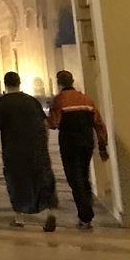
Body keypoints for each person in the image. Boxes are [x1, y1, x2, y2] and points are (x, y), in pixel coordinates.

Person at [0, 71, 58, 230]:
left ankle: (19, 218)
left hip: (14, 150)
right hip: (36, 148)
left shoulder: (1, 103)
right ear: (19, 83)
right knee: (43, 180)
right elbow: (44, 125)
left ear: (5, 84)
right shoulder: (32, 101)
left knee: (15, 182)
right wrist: (44, 144)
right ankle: (50, 213)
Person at [47, 69, 110, 229]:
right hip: (87, 143)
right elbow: (99, 123)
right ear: (72, 81)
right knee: (83, 175)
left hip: (69, 144)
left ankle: (85, 215)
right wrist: (102, 147)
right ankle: (86, 214)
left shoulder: (60, 100)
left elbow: (53, 123)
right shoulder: (86, 99)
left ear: (59, 83)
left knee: (75, 179)